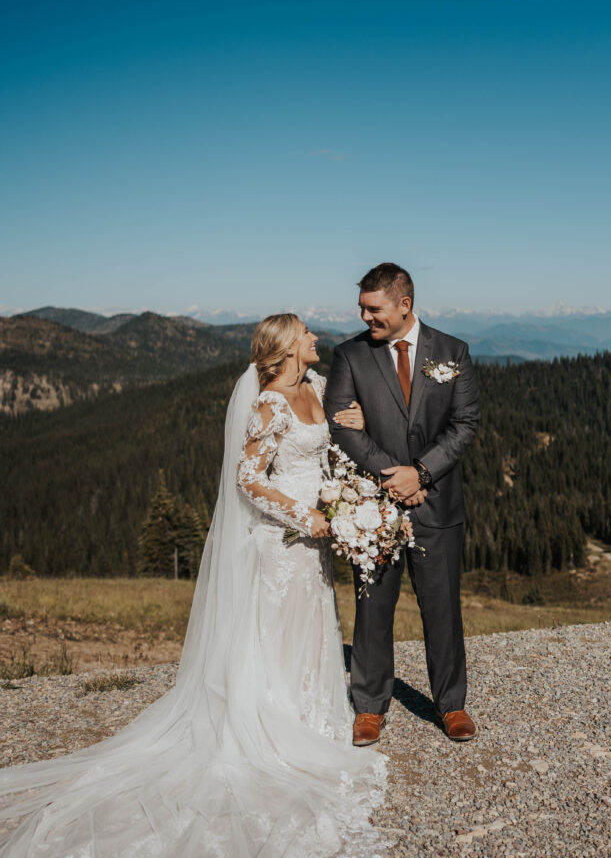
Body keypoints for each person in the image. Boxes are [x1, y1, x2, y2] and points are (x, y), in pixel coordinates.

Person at [0, 314, 386, 858]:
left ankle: (312, 711)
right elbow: (247, 480)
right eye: (306, 333)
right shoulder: (272, 403)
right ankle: (274, 720)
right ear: (286, 347)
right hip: (283, 540)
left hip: (317, 538)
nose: (315, 337)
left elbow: (335, 430)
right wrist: (304, 514)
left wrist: (353, 431)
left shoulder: (317, 386)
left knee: (313, 623)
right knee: (275, 629)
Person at [324, 263, 481, 747]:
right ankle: (369, 706)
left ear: (404, 305)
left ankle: (451, 704)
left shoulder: (453, 352)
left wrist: (424, 473)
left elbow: (466, 424)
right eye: (362, 308)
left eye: (374, 308)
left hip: (437, 505)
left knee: (442, 608)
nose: (364, 316)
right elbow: (341, 425)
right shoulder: (349, 355)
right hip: (375, 505)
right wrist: (396, 478)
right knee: (372, 607)